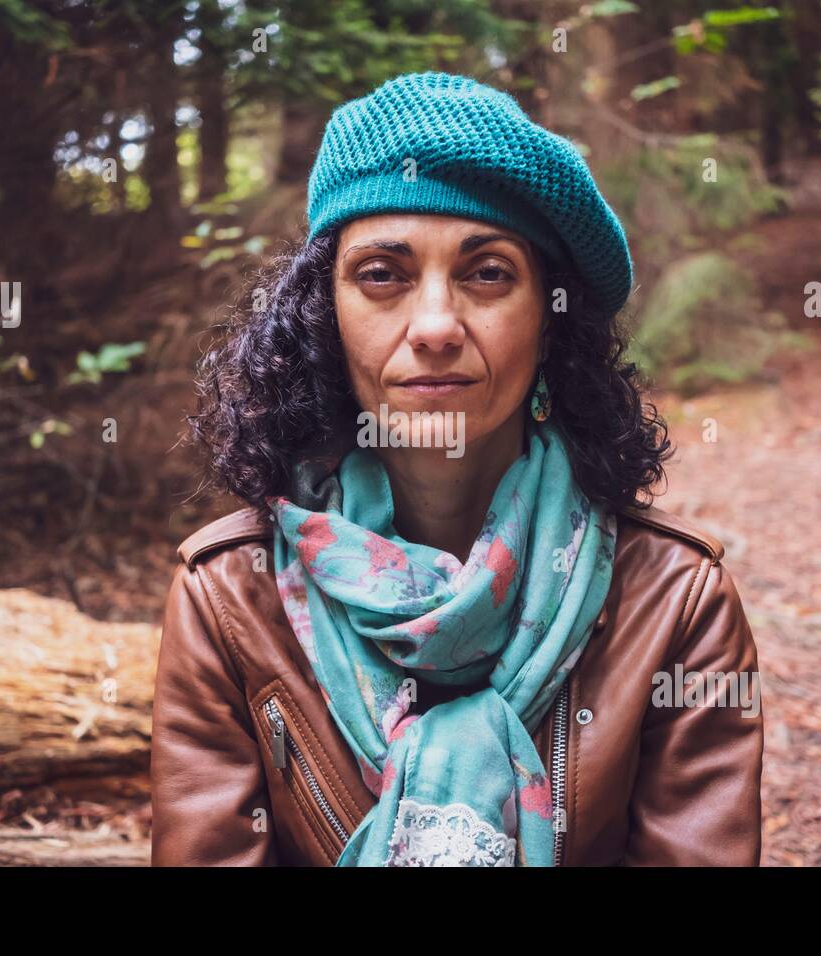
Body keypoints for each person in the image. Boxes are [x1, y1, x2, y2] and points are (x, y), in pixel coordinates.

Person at [151, 71, 763, 866]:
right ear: (323, 318)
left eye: (486, 273)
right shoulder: (227, 601)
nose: (436, 325)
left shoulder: (676, 604)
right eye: (383, 275)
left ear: (549, 318)